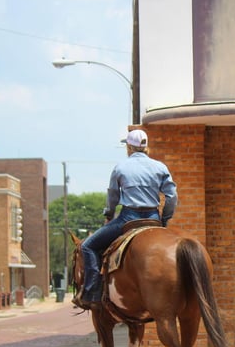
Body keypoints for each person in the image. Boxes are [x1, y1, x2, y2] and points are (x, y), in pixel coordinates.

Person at [73, 129, 178, 309]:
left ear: (129, 147)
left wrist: (109, 215)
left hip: (128, 219)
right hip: (153, 218)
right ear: (146, 147)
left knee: (87, 246)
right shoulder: (160, 167)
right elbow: (172, 196)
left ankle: (92, 292)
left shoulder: (121, 167)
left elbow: (113, 196)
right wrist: (165, 218)